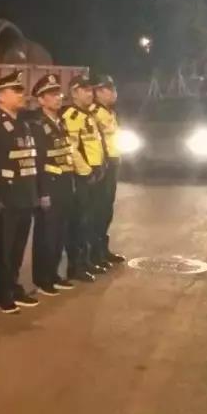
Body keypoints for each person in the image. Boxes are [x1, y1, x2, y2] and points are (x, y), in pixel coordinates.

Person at [0, 70, 39, 314]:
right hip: (5, 198)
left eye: (21, 90)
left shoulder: (23, 123)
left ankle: (13, 286)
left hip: (24, 195)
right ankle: (2, 294)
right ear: (0, 96)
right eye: (15, 91)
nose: (21, 95)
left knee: (17, 247)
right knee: (3, 249)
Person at [29, 74, 77, 296]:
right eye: (51, 94)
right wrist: (42, 192)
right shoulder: (38, 125)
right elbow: (38, 161)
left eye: (58, 93)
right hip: (49, 185)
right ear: (41, 100)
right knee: (46, 235)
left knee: (59, 233)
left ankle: (54, 273)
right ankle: (42, 278)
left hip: (64, 184)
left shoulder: (60, 122)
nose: (58, 98)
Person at [63, 72, 106, 279]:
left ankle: (87, 260)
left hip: (95, 174)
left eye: (91, 90)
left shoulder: (88, 115)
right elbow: (71, 148)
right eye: (86, 90)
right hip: (82, 177)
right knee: (79, 222)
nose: (91, 94)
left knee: (89, 220)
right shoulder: (72, 116)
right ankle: (76, 266)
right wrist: (86, 171)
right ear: (74, 93)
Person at [89, 74, 126, 267]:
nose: (114, 93)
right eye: (109, 89)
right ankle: (94, 253)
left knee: (106, 210)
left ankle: (103, 249)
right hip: (102, 165)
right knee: (98, 210)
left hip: (113, 163)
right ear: (98, 92)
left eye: (113, 89)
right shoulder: (94, 113)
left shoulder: (109, 112)